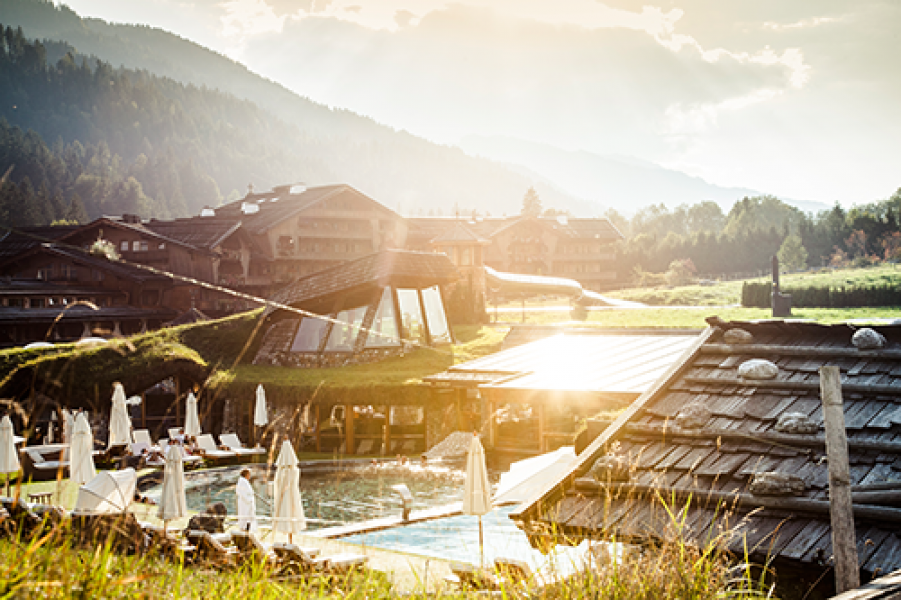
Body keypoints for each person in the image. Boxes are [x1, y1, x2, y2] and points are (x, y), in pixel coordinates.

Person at [235, 468, 258, 533]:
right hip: (245, 503)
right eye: (249, 474)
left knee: (247, 518)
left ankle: (246, 529)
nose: (250, 476)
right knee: (245, 517)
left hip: (246, 503)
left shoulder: (244, 481)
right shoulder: (243, 482)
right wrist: (249, 500)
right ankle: (244, 529)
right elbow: (242, 493)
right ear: (246, 474)